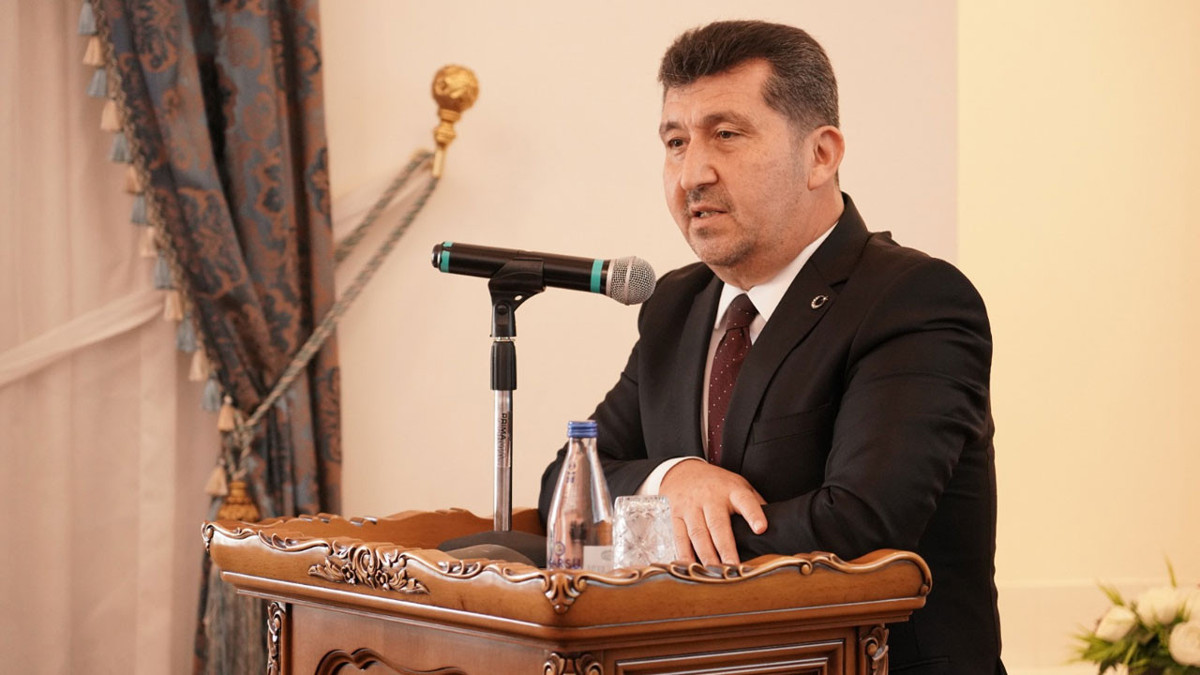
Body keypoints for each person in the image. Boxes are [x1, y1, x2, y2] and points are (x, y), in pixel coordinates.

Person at [538, 20, 1004, 674]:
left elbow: (858, 529)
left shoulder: (913, 299)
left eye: (726, 135)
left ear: (821, 155)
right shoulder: (677, 303)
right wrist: (673, 479)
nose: (692, 173)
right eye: (675, 142)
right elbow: (567, 483)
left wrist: (653, 528)